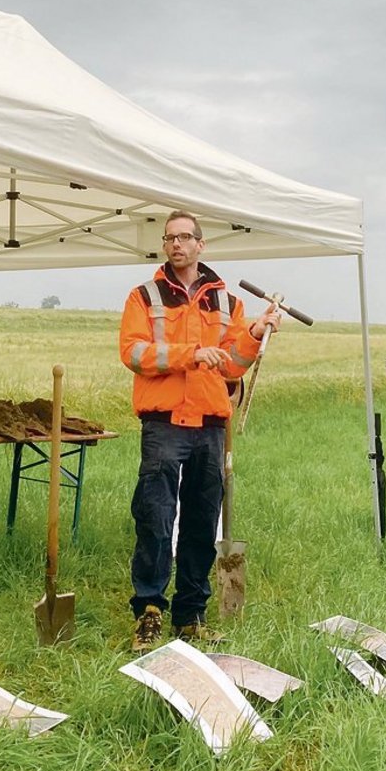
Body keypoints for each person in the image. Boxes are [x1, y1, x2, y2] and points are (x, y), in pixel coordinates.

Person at [120, 211, 278, 650]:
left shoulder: (228, 302)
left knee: (200, 522)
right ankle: (149, 612)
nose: (177, 244)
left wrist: (254, 333)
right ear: (165, 244)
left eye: (186, 237)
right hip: (164, 424)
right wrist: (191, 353)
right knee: (154, 518)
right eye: (170, 237)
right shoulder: (144, 296)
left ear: (200, 245)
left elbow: (234, 364)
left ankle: (190, 615)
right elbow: (132, 353)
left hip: (210, 425)